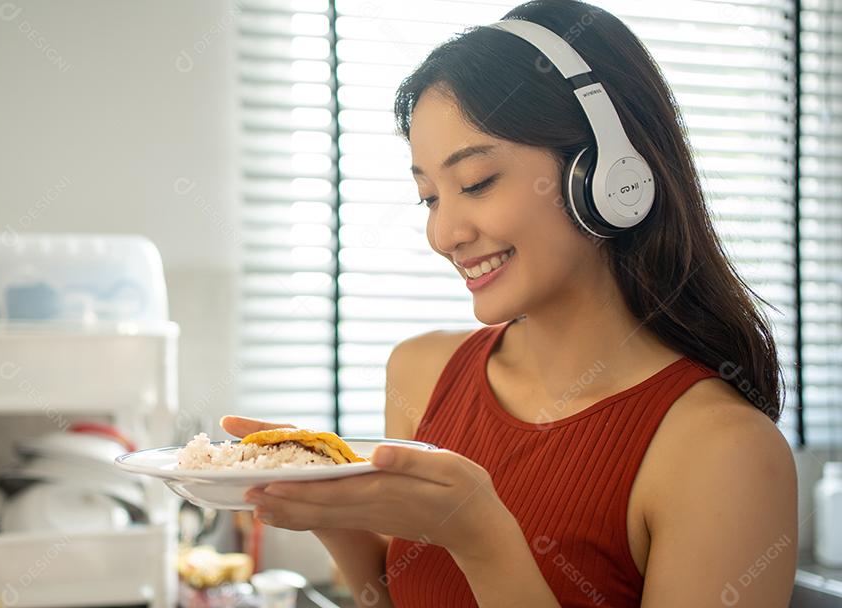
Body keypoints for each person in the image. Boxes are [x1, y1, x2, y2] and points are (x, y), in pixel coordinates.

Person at [224, 0, 798, 605]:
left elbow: (476, 551)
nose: (444, 235)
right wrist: (321, 504)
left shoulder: (724, 452)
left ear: (606, 176)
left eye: (476, 183)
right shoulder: (420, 375)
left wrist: (482, 539)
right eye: (429, 197)